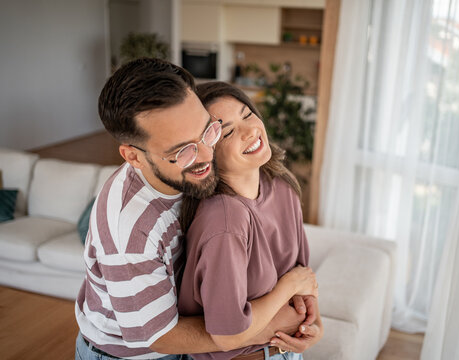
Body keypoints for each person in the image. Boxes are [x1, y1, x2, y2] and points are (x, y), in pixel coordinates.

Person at [74, 58, 318, 360]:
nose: (206, 155)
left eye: (208, 132)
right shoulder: (131, 234)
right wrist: (275, 327)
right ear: (134, 157)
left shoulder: (202, 178)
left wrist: (304, 320)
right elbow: (163, 338)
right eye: (183, 150)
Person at [177, 81, 324, 360]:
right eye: (229, 131)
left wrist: (315, 327)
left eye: (247, 114)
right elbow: (228, 334)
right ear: (208, 154)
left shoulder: (282, 186)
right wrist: (288, 288)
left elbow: (303, 277)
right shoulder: (225, 221)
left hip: (286, 353)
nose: (249, 131)